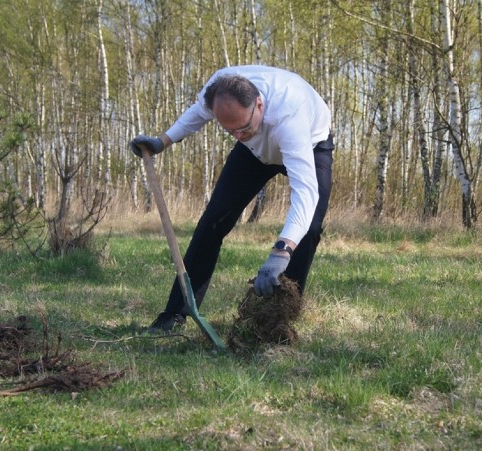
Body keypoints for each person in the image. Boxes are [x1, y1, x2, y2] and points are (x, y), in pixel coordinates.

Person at [131, 65, 334, 333]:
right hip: (253, 153)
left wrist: (281, 250)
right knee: (213, 221)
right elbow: (197, 114)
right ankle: (175, 314)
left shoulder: (289, 117)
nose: (237, 135)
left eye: (243, 127)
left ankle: (281, 315)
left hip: (311, 145)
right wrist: (163, 141)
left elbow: (305, 194)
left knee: (308, 229)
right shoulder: (218, 91)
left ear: (259, 104)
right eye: (230, 132)